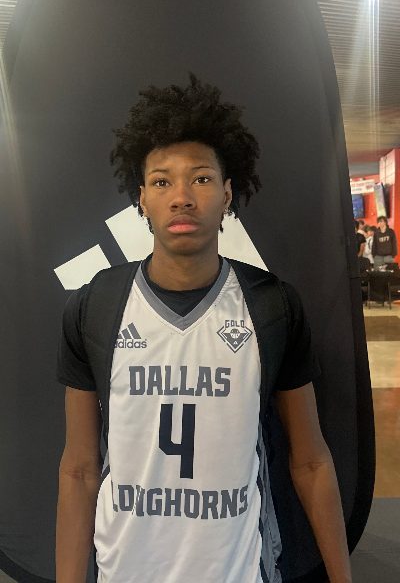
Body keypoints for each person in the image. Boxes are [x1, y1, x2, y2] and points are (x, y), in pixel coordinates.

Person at [55, 74, 352, 583]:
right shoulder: (96, 306)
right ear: (141, 199)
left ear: (227, 193)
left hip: (238, 571)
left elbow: (310, 462)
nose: (182, 197)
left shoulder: (271, 306)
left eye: (201, 178)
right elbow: (80, 470)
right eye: (161, 181)